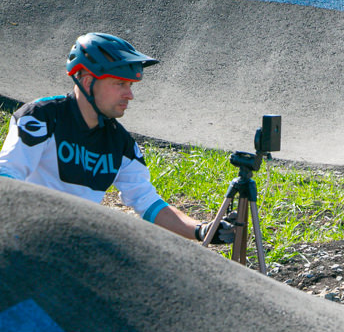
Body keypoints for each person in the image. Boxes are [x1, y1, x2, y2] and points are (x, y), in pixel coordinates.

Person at [0, 32, 235, 245]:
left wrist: (202, 230)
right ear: (88, 82)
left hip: (72, 248)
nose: (130, 95)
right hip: (22, 239)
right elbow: (7, 176)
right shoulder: (42, 116)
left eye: (131, 85)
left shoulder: (120, 143)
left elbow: (148, 202)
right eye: (120, 83)